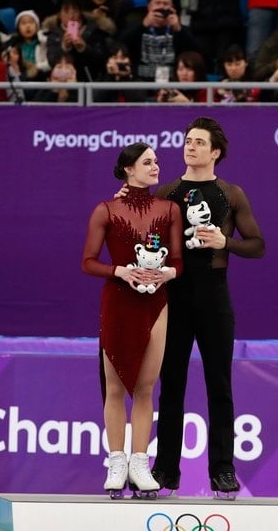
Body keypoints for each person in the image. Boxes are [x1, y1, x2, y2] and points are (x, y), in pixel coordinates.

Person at [151, 117, 266, 498]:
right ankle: (166, 471)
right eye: (187, 140)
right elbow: (147, 237)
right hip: (174, 295)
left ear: (215, 152)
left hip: (214, 296)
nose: (190, 146)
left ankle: (223, 471)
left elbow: (258, 245)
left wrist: (224, 241)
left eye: (199, 142)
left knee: (220, 385)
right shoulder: (166, 191)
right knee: (171, 386)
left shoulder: (231, 193)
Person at [82, 142, 183, 499]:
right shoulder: (105, 209)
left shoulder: (169, 209)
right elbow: (88, 261)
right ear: (128, 168)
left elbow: (178, 261)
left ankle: (140, 463)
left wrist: (167, 273)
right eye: (147, 162)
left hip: (155, 303)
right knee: (113, 388)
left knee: (144, 387)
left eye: (156, 161)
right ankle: (116, 460)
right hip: (118, 301)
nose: (155, 166)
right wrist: (120, 270)